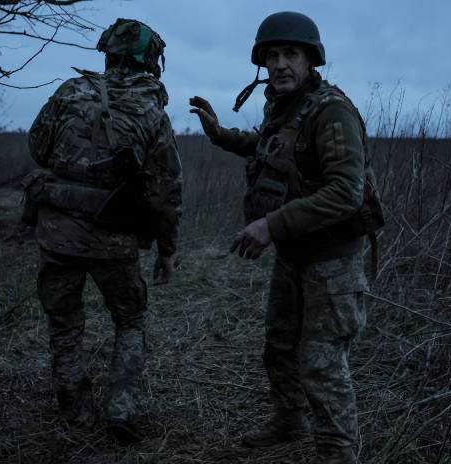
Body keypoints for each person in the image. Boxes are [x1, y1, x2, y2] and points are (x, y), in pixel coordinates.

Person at [190, 11, 381, 464]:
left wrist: (271, 225)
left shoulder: (331, 111)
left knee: (321, 364)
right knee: (278, 347)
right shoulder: (284, 106)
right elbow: (269, 146)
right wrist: (220, 136)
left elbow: (346, 193)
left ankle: (339, 454)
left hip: (333, 260)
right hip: (295, 255)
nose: (280, 64)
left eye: (290, 54)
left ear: (311, 59)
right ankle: (289, 420)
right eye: (272, 56)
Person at [25, 18, 182, 444]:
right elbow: (167, 189)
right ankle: (121, 410)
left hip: (56, 235)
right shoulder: (153, 111)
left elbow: (38, 147)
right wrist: (166, 251)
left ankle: (76, 413)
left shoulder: (68, 93)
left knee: (65, 322)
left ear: (108, 52)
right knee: (130, 319)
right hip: (113, 241)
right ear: (152, 61)